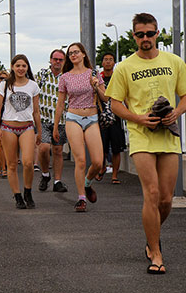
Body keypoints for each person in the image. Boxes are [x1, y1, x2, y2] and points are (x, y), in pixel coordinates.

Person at [105, 13, 186, 275]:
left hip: (168, 135)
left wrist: (176, 113)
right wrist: (139, 118)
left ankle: (151, 235)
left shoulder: (174, 61)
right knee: (152, 193)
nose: (145, 38)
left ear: (157, 34)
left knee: (166, 200)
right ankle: (156, 253)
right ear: (133, 36)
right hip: (142, 135)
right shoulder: (124, 67)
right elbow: (115, 104)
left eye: (150, 33)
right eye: (140, 34)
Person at [53, 42, 108, 212]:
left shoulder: (94, 73)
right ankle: (81, 198)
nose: (73, 55)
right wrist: (56, 126)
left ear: (83, 54)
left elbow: (106, 98)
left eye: (76, 52)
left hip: (91, 117)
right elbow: (61, 104)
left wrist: (95, 86)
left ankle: (88, 183)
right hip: (73, 118)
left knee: (98, 162)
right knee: (81, 160)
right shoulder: (65, 77)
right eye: (70, 53)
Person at [0, 54, 41, 209]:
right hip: (8, 127)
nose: (21, 69)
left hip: (27, 126)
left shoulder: (33, 86)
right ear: (12, 67)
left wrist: (39, 131)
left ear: (27, 67)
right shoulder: (4, 85)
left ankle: (27, 191)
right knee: (12, 164)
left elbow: (36, 111)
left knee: (28, 162)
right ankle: (17, 195)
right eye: (18, 66)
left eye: (24, 66)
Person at [35, 49, 68, 193]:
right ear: (50, 60)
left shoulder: (67, 77)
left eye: (61, 60)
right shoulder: (41, 75)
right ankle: (45, 174)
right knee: (43, 148)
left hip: (61, 120)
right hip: (43, 118)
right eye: (55, 59)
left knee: (58, 150)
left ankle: (57, 181)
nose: (58, 62)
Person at [95, 51, 127, 184]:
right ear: (102, 63)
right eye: (105, 59)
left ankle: (114, 175)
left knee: (116, 148)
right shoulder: (98, 78)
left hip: (116, 116)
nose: (108, 61)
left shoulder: (118, 77)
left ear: (114, 62)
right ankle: (102, 167)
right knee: (100, 146)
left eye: (110, 59)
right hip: (100, 115)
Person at [0, 70, 9, 178]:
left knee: (6, 146)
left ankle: (2, 166)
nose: (3, 80)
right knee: (1, 146)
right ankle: (2, 167)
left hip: (10, 117)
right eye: (1, 78)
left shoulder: (10, 88)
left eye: (5, 78)